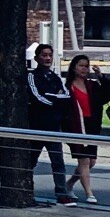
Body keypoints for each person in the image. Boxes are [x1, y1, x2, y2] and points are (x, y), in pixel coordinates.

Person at [27, 44, 78, 205]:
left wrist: (54, 98)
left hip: (54, 127)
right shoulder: (32, 76)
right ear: (36, 58)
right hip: (37, 126)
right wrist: (55, 98)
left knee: (58, 162)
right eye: (44, 55)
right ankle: (26, 189)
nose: (48, 58)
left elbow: (67, 96)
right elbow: (37, 97)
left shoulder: (55, 77)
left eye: (50, 55)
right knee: (30, 160)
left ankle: (62, 192)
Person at [64, 54, 110, 205]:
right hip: (76, 126)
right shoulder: (68, 87)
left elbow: (106, 96)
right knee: (84, 160)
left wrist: (101, 77)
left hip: (92, 126)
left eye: (86, 66)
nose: (84, 69)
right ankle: (89, 193)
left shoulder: (92, 85)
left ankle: (70, 184)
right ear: (73, 67)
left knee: (91, 162)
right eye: (81, 65)